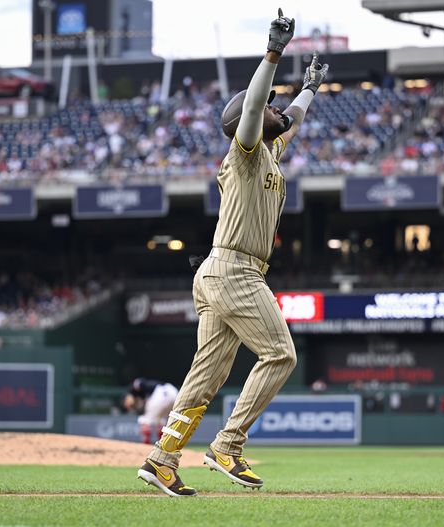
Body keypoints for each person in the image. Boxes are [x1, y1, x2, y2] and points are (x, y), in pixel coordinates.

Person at [137, 9, 329, 497]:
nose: (274, 109)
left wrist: (310, 89)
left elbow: (294, 120)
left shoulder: (269, 151)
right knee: (280, 354)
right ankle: (228, 444)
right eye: (267, 107)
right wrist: (273, 52)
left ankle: (162, 458)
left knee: (209, 373)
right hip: (235, 270)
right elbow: (255, 108)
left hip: (222, 272)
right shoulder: (244, 150)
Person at [122, 378, 179, 444]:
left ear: (126, 398)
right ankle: (163, 444)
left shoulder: (132, 389)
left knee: (144, 420)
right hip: (173, 392)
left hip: (160, 392)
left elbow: (140, 382)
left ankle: (146, 446)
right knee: (160, 420)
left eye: (125, 403)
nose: (128, 405)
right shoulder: (138, 398)